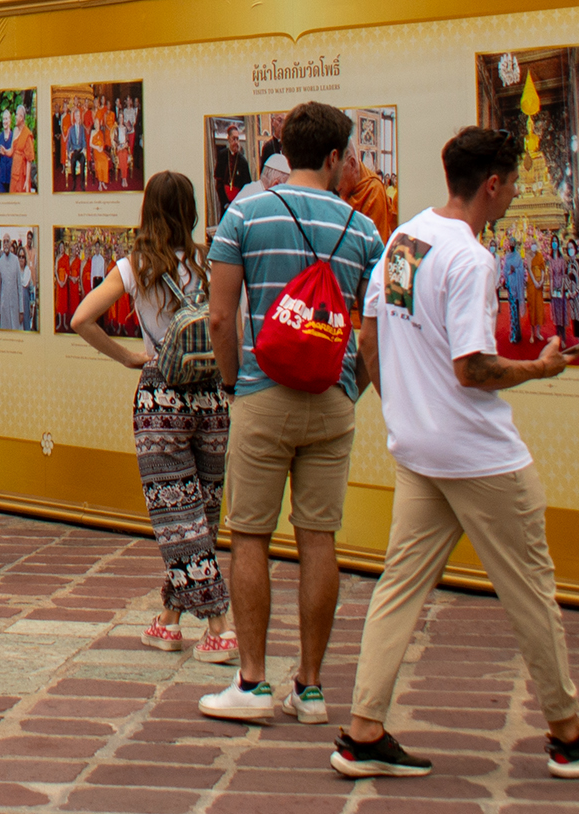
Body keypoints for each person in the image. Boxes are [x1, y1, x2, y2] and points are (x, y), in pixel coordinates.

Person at [334, 126, 579, 781]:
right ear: (497, 184)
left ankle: (364, 729)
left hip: (419, 449)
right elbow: (473, 368)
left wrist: (400, 406)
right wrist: (540, 368)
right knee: (531, 590)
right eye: (509, 185)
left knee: (399, 585)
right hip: (480, 457)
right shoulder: (471, 258)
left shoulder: (405, 238)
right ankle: (567, 731)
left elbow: (369, 332)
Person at [200, 100, 383, 725]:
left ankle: (251, 683)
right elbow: (373, 335)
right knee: (318, 539)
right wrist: (350, 388)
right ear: (334, 157)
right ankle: (308, 687)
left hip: (262, 391)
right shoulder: (364, 230)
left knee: (249, 534)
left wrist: (234, 382)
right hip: (331, 402)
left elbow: (220, 316)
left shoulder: (245, 212)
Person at [72, 171, 231, 662]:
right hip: (212, 396)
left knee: (176, 515)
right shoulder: (211, 261)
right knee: (200, 512)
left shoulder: (135, 265)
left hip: (161, 398)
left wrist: (127, 358)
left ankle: (221, 625)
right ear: (191, 212)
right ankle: (169, 619)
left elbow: (81, 318)